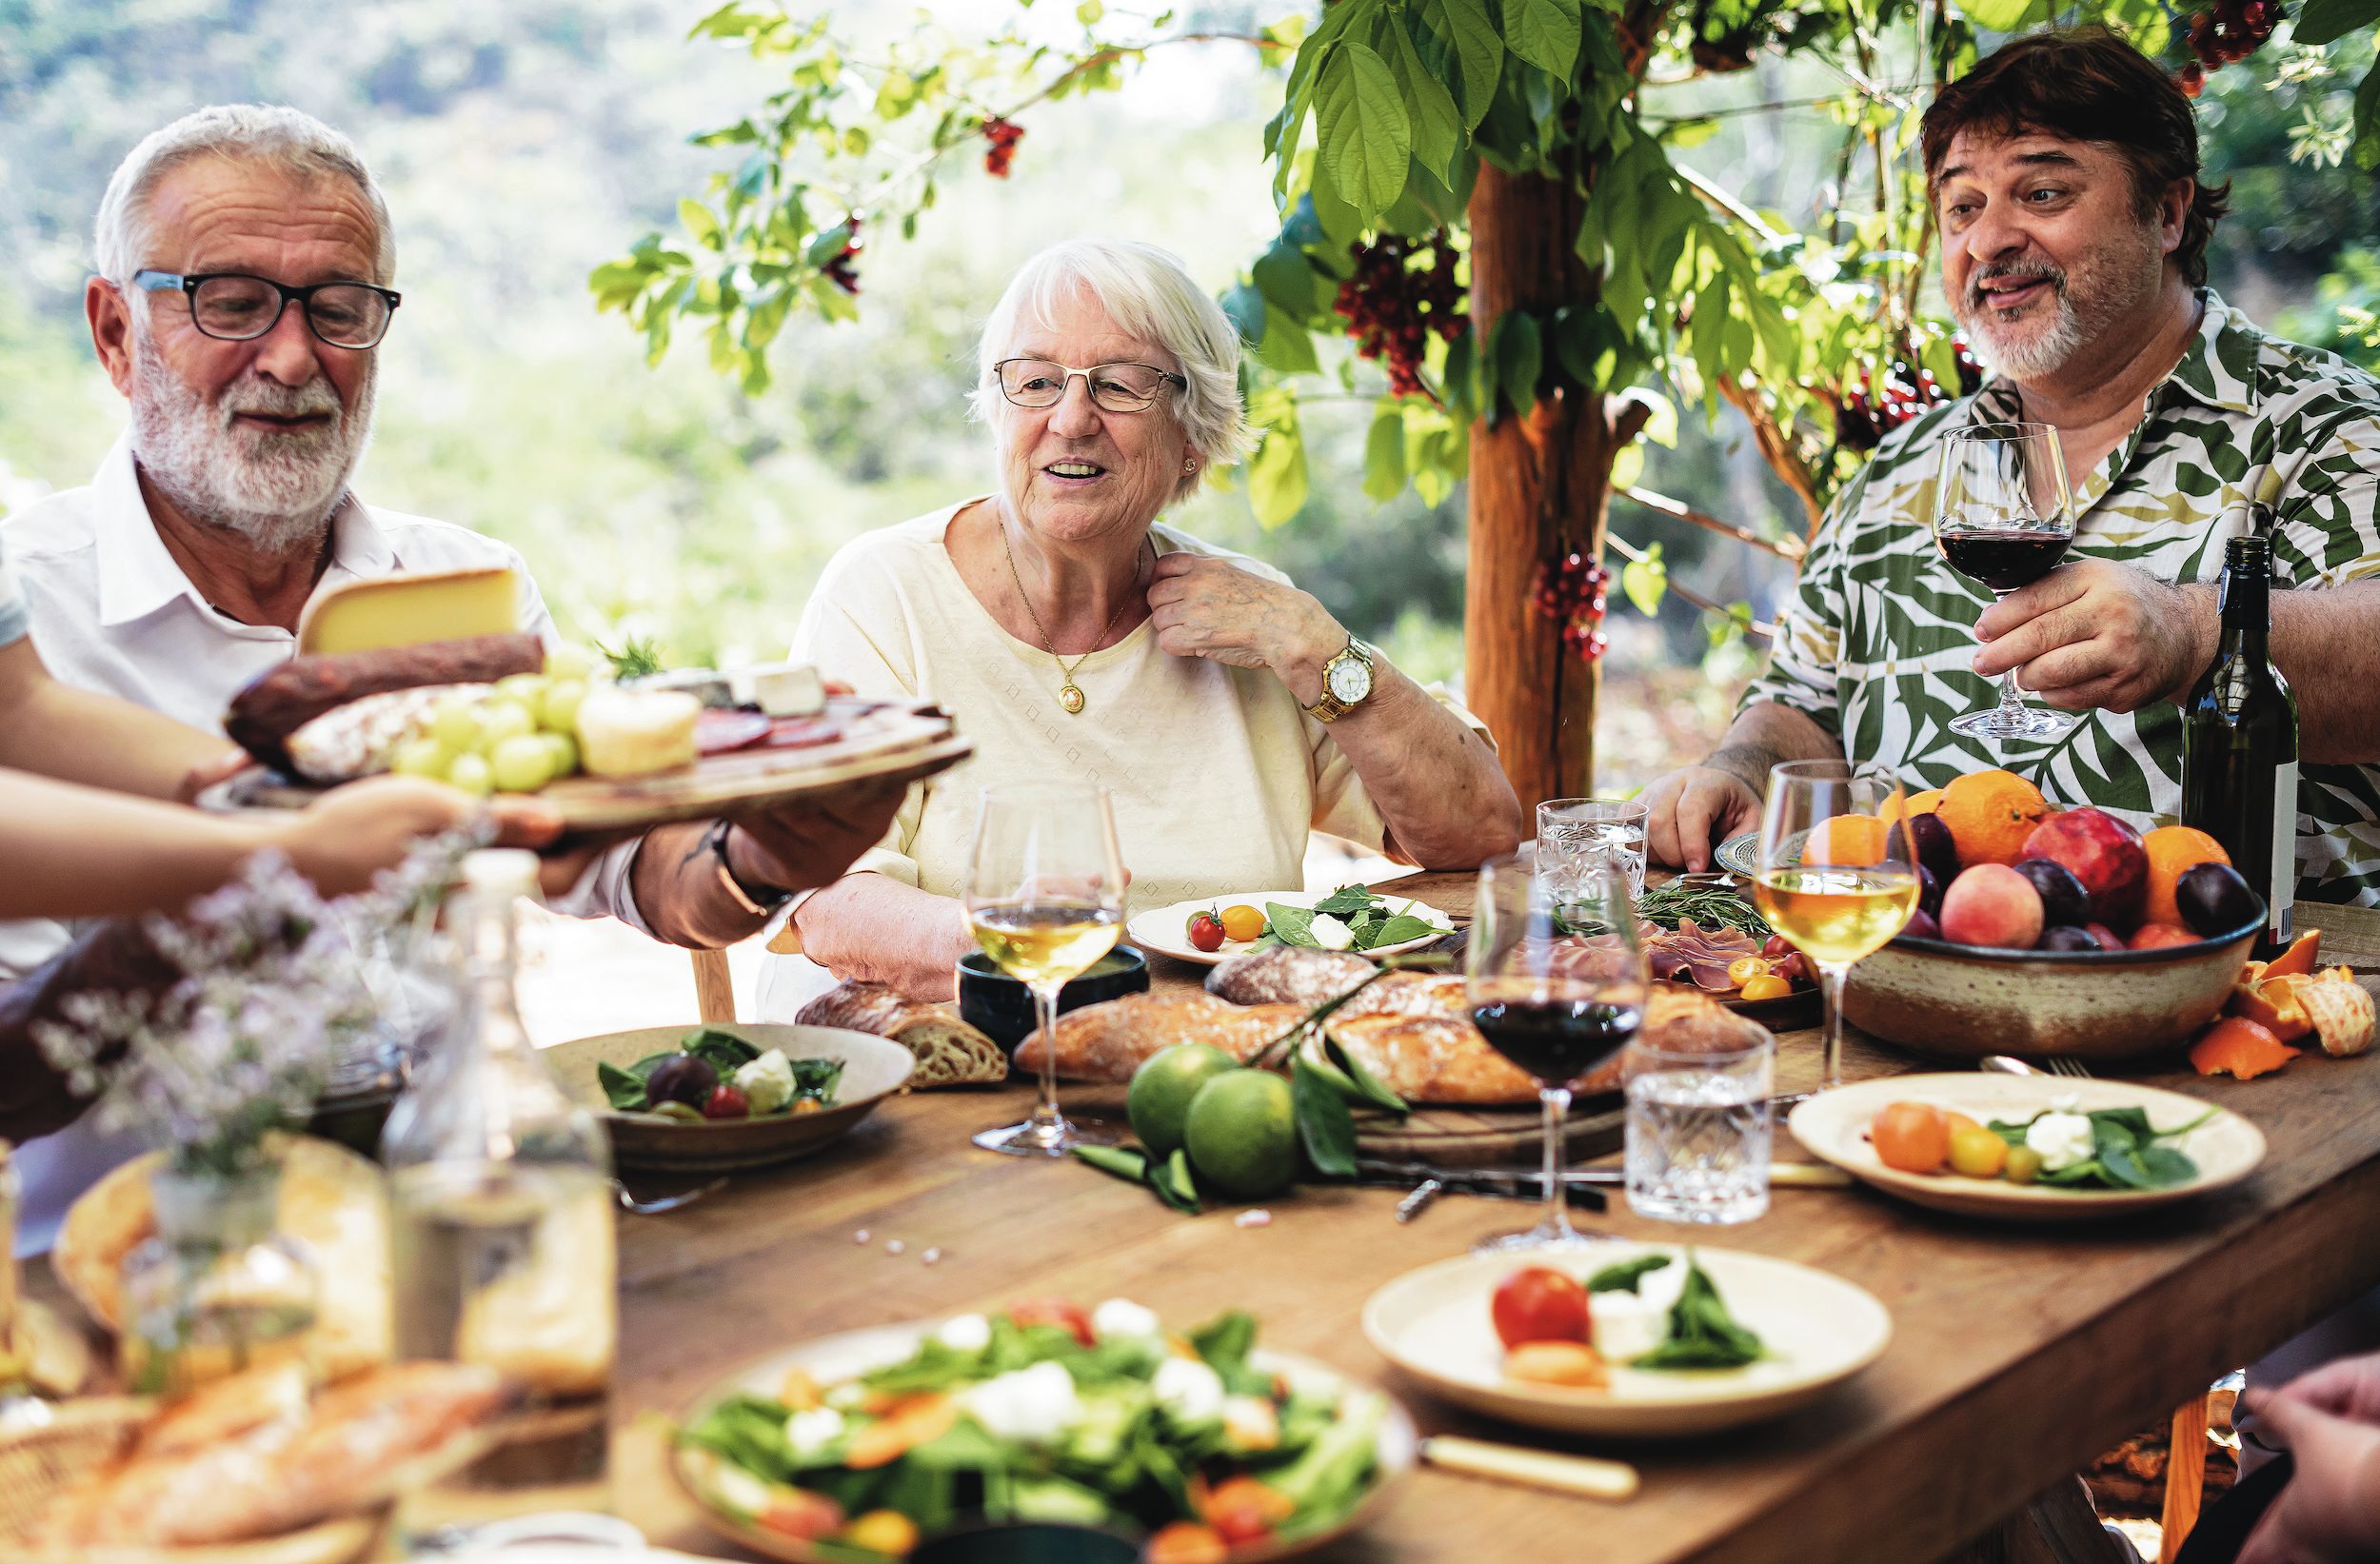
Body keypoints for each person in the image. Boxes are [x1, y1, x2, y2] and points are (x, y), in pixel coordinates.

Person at [0, 104, 902, 1246]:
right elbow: (14, 1081)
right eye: (230, 301)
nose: (291, 357)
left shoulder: (469, 579)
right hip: (131, 1269)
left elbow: (621, 865)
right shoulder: (28, 608)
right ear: (116, 331)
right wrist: (271, 870)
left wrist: (765, 862)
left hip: (458, 1225)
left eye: (338, 308)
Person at [1639, 29, 2380, 909]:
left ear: (2169, 213)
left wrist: (2194, 633)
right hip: (1904, 989)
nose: (1989, 239)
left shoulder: (2323, 421)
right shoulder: (1900, 469)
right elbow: (1804, 706)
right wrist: (1743, 765)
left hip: (2234, 998)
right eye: (1961, 207)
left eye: (2044, 190)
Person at [755, 238, 1524, 1010]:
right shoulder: (885, 593)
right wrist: (1049, 951)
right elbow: (829, 904)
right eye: (1036, 381)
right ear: (999, 412)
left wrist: (1316, 645)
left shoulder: (1254, 615)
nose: (1071, 418)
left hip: (1207, 1061)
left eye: (1120, 386)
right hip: (937, 1066)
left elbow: (1477, 829)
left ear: (1192, 437)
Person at [0, 524, 558, 918]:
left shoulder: (469, 558)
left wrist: (272, 797)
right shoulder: (45, 572)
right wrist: (291, 856)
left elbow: (17, 709)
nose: (290, 364)